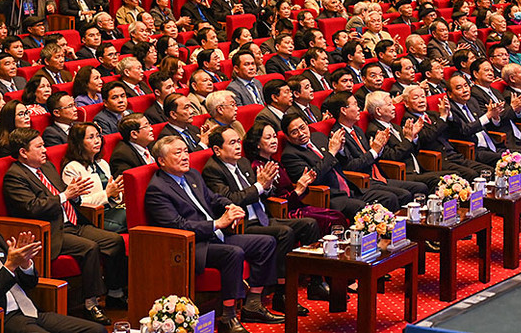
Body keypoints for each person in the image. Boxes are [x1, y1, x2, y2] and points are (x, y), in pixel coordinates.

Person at [145, 136, 282, 333]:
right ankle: (228, 317)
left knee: (266, 242)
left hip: (215, 236)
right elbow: (178, 225)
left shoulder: (192, 175)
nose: (185, 156)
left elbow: (213, 197)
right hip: (192, 246)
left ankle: (252, 305)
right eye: (178, 153)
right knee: (232, 253)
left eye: (185, 151)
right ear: (161, 161)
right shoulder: (157, 189)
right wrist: (217, 223)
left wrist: (230, 205)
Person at [2, 128, 127, 325]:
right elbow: (32, 208)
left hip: (73, 222)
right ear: (23, 152)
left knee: (114, 240)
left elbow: (68, 195)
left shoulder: (48, 167)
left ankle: (114, 292)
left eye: (44, 145)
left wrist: (75, 195)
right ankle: (91, 304)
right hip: (50, 231)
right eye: (39, 146)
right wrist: (66, 195)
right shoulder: (15, 176)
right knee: (89, 248)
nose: (45, 150)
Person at [0, 189, 108, 333]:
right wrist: (10, 266)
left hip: (31, 310)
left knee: (97, 329)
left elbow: (30, 283)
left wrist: (25, 265)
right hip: (4, 318)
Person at [202, 126, 320, 315]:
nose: (238, 146)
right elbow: (230, 199)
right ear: (217, 150)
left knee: (309, 224)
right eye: (232, 143)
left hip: (263, 217)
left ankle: (316, 282)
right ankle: (281, 293)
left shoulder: (243, 163)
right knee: (284, 233)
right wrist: (259, 186)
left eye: (238, 141)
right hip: (242, 225)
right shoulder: (212, 171)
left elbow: (258, 192)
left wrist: (265, 187)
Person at [280, 113, 399, 219]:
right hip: (330, 197)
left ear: (307, 125)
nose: (301, 134)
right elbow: (313, 179)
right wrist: (332, 152)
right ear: (287, 136)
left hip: (350, 188)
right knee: (362, 208)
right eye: (294, 132)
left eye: (302, 128)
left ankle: (390, 238)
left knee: (389, 198)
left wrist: (341, 150)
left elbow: (343, 164)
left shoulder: (318, 137)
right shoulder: (290, 155)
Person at [327, 92, 428, 201]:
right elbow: (350, 166)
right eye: (355, 105)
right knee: (400, 195)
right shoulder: (337, 135)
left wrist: (377, 149)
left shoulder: (357, 130)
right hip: (363, 181)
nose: (359, 108)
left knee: (420, 188)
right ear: (343, 110)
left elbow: (370, 155)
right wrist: (374, 151)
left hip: (377, 176)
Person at [62, 123, 126, 233]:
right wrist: (107, 194)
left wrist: (115, 193)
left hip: (112, 210)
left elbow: (114, 194)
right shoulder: (72, 168)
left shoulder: (102, 163)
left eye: (98, 136)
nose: (97, 141)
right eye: (91, 137)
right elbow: (79, 204)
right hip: (92, 218)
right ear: (79, 143)